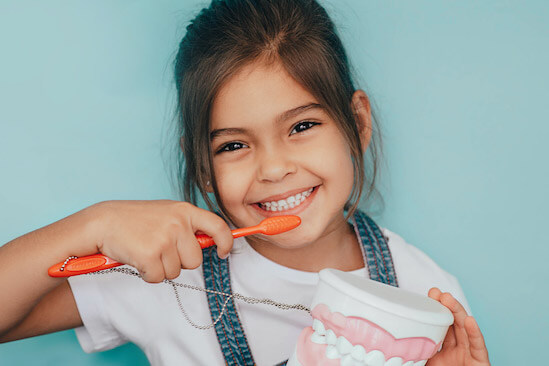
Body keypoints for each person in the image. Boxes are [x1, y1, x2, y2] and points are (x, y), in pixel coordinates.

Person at [0, 0, 490, 365]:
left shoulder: (425, 295)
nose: (274, 170)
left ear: (357, 123)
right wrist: (96, 223)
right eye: (233, 146)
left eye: (301, 127)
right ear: (201, 168)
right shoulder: (168, 277)